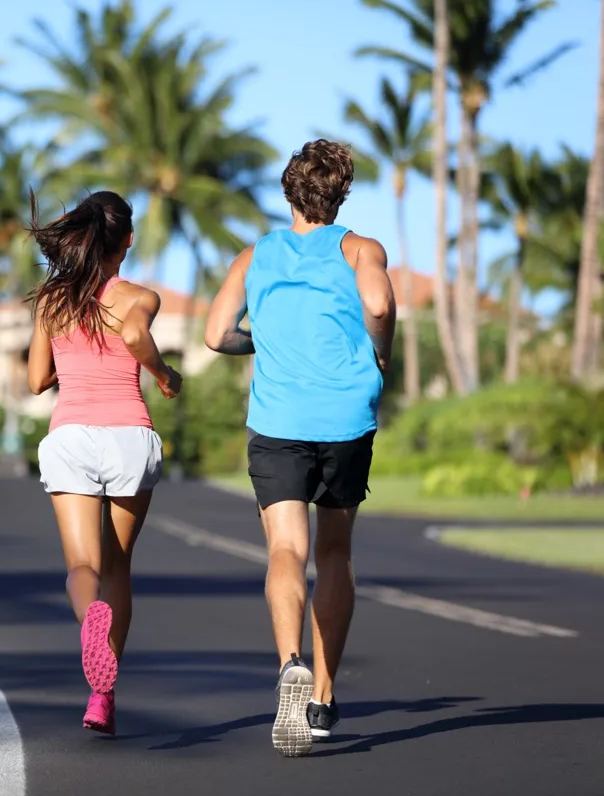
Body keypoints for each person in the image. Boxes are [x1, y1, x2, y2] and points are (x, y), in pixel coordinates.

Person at [204, 140, 396, 757]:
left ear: (289, 192)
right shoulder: (361, 248)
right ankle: (323, 698)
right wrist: (380, 352)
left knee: (287, 548)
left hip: (278, 419)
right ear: (341, 194)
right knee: (335, 552)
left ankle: (290, 663)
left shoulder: (253, 255)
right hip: (345, 419)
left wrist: (261, 343)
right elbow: (378, 302)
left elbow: (215, 335)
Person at [26, 189, 182, 736]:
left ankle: (88, 622)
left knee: (83, 569)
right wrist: (164, 376)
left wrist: (66, 366)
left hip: (71, 436)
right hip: (128, 439)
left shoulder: (53, 301)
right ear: (128, 241)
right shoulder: (140, 296)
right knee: (119, 567)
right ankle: (103, 698)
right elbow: (136, 335)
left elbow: (35, 380)